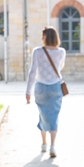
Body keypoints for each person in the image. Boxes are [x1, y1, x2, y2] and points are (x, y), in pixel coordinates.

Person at [25, 26, 66, 158]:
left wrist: (28, 91)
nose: (41, 38)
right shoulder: (61, 52)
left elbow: (32, 72)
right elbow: (61, 67)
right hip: (55, 87)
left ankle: (44, 143)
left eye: (43, 35)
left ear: (46, 37)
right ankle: (52, 145)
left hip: (40, 87)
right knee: (54, 115)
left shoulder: (37, 51)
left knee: (43, 114)